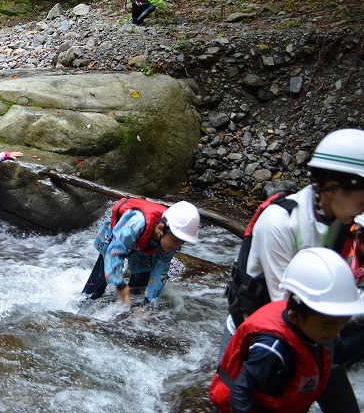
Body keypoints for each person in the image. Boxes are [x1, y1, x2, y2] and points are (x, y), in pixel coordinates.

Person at [222, 128, 364, 410]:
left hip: (313, 332)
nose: (362, 211)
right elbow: (285, 308)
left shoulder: (339, 219)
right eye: (362, 201)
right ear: (333, 189)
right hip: (264, 340)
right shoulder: (280, 222)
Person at [210, 248, 364, 413]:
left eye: (342, 323)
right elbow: (241, 391)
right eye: (328, 326)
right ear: (295, 315)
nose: (335, 331)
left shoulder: (317, 329)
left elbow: (340, 353)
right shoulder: (272, 348)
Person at [81, 198, 200, 306]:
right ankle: (84, 304)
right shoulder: (138, 222)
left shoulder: (171, 242)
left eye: (182, 242)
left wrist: (149, 304)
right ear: (160, 229)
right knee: (100, 278)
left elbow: (160, 271)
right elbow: (115, 251)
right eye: (175, 241)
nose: (177, 246)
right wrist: (120, 285)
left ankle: (133, 312)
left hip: (146, 244)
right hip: (118, 237)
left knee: (139, 286)